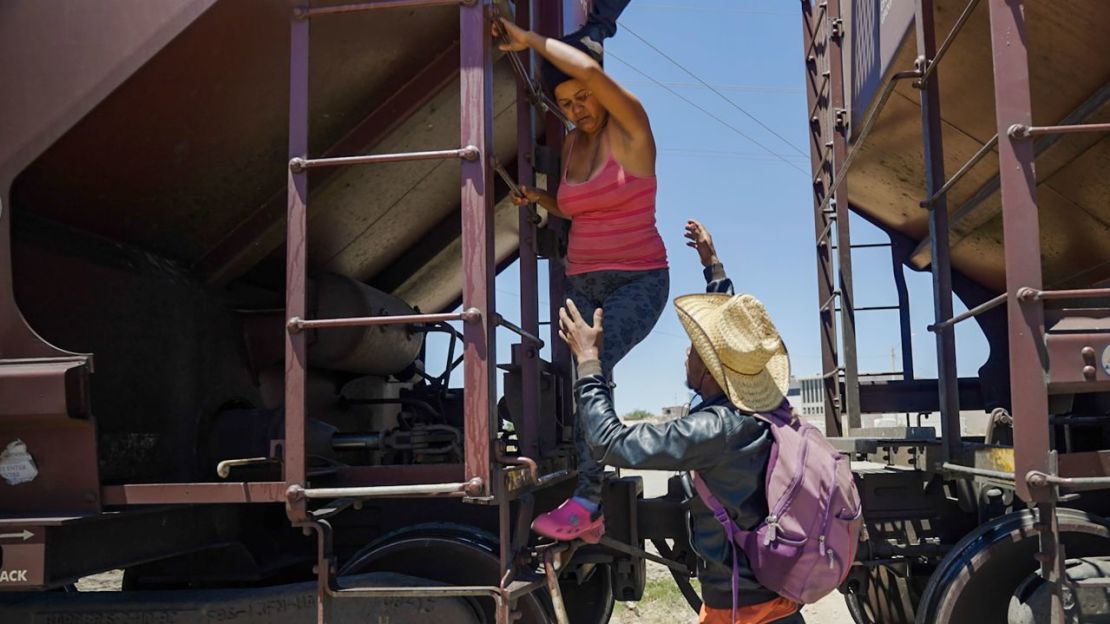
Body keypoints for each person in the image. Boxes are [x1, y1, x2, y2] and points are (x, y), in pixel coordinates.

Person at [554, 220, 804, 624]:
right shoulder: (764, 410)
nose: (686, 352)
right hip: (773, 601)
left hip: (744, 612)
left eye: (695, 349)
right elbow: (735, 343)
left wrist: (588, 364)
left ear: (708, 370)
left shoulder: (715, 430)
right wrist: (714, 268)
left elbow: (609, 442)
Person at [493, 10, 670, 541]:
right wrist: (542, 198)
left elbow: (591, 75)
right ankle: (588, 504)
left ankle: (591, 501)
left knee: (594, 365)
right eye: (565, 104)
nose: (576, 109)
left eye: (582, 99)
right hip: (581, 283)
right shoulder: (571, 143)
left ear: (602, 88)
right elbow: (580, 208)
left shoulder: (634, 126)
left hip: (638, 279)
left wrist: (527, 39)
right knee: (582, 381)